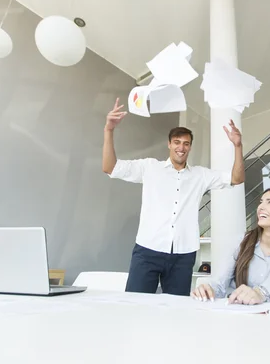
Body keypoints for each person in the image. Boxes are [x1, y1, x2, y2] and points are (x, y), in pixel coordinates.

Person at [102, 98, 245, 296]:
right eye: (177, 142)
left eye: (186, 144)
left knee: (177, 312)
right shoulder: (150, 167)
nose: (181, 147)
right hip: (148, 250)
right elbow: (110, 167)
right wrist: (108, 130)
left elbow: (237, 178)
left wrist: (238, 146)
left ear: (190, 147)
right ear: (169, 144)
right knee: (135, 305)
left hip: (183, 254)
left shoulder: (200, 175)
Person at [191, 188, 270, 305]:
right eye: (261, 202)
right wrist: (208, 290)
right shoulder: (240, 242)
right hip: (238, 315)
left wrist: (259, 293)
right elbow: (220, 282)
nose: (261, 207)